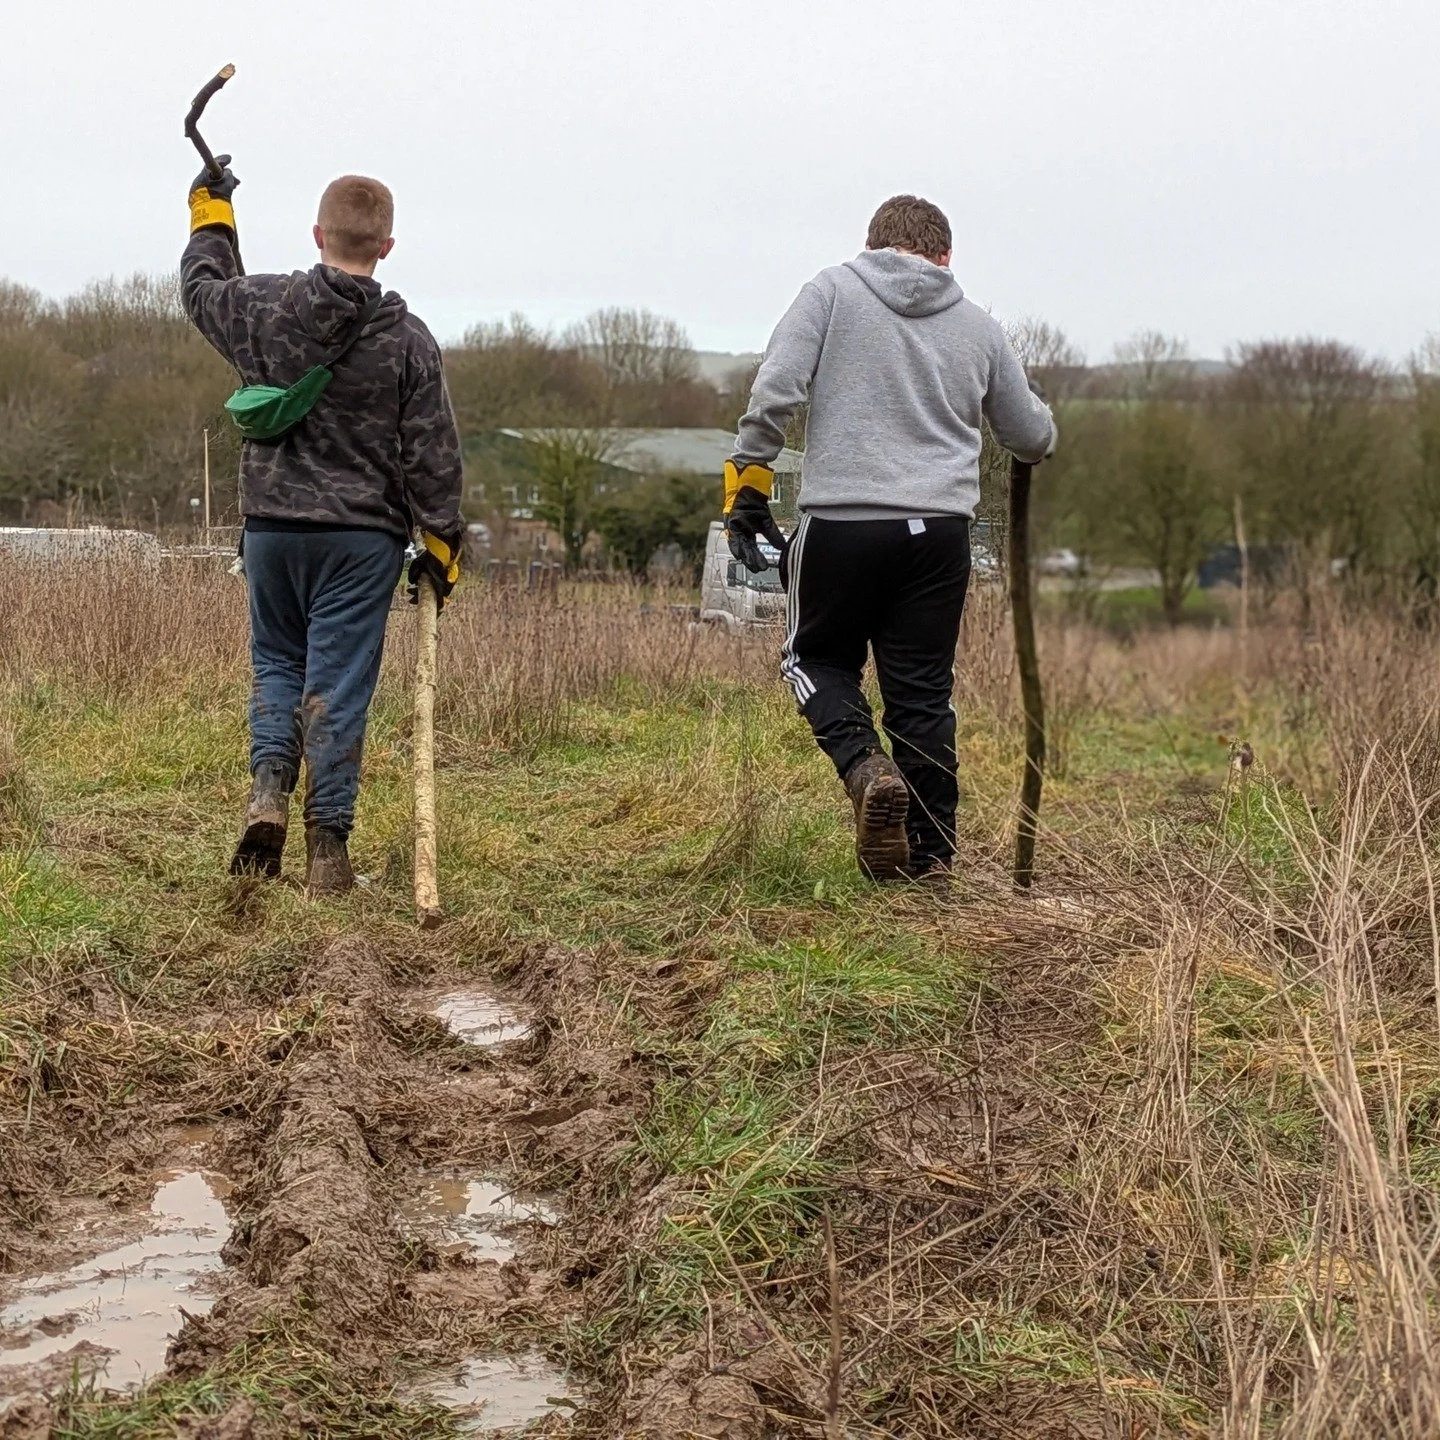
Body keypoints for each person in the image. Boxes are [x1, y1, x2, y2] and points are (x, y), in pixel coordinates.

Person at [723, 195, 1056, 884]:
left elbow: (777, 387)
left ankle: (864, 767)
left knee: (814, 659)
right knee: (923, 695)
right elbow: (1030, 436)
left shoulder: (832, 291)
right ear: (945, 257)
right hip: (938, 536)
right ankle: (930, 861)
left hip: (842, 524)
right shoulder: (979, 328)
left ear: (872, 244)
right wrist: (1042, 422)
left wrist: (748, 484)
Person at [181, 162, 464, 894]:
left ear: (317, 234)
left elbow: (201, 291)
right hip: (359, 540)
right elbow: (432, 452)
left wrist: (211, 212)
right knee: (337, 687)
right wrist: (441, 544)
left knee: (277, 665)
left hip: (272, 530)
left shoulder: (262, 307)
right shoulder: (409, 341)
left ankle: (268, 793)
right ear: (387, 247)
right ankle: (329, 855)